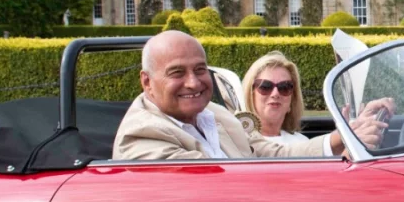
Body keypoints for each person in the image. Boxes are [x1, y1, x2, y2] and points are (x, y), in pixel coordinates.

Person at [113, 31, 387, 161]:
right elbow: (216, 181)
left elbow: (266, 153)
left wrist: (344, 136)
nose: (193, 82)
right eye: (177, 73)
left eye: (200, 69)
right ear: (147, 82)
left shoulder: (215, 115)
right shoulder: (143, 135)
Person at [241, 51, 310, 141]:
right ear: (250, 94)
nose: (275, 94)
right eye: (265, 86)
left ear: (292, 98)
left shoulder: (303, 143)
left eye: (284, 87)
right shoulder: (237, 144)